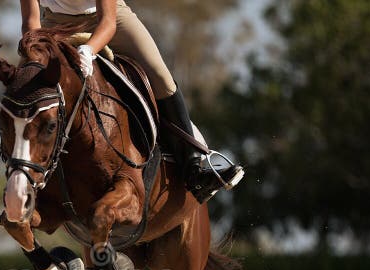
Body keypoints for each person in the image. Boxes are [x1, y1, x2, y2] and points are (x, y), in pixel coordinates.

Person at [19, 0, 243, 202]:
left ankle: (195, 166)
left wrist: (88, 51)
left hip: (107, 18)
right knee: (25, 87)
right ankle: (18, 181)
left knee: (160, 76)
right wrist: (36, 56)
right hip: (56, 24)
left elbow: (107, 22)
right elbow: (31, 22)